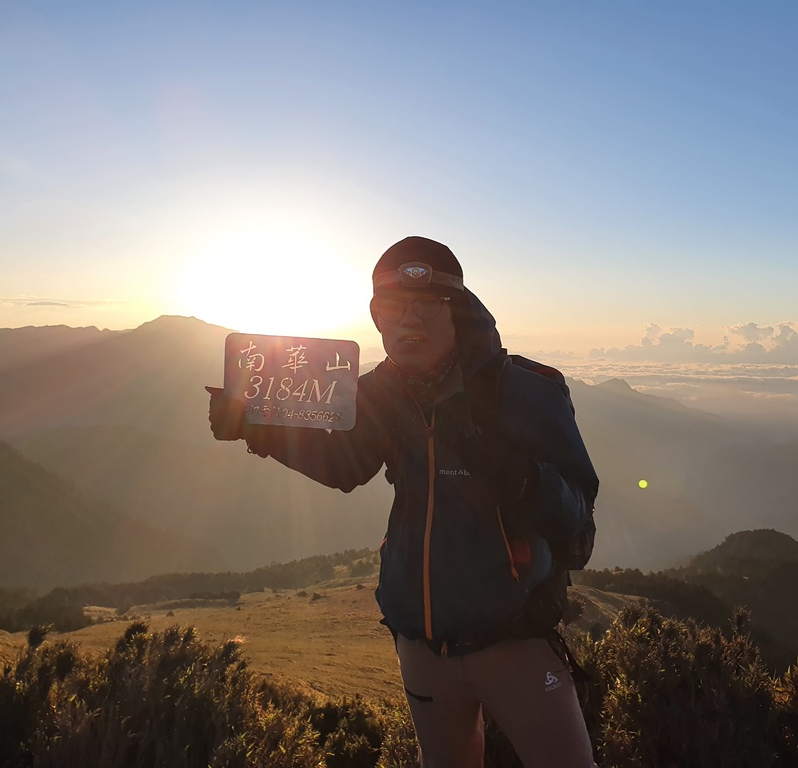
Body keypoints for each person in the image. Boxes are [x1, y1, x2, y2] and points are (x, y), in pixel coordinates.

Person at [208, 236, 599, 768]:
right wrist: (259, 431)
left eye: (428, 303)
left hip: (516, 639)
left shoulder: (525, 391)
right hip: (421, 644)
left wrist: (521, 479)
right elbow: (346, 467)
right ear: (376, 316)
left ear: (455, 310)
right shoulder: (380, 393)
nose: (408, 317)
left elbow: (577, 509)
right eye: (392, 304)